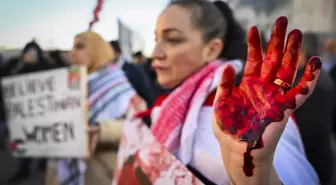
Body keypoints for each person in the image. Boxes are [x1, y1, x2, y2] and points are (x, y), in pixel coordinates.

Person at [108, 1, 319, 185]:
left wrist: (258, 178)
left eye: (173, 40)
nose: (155, 54)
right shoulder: (173, 101)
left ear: (212, 49)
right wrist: (100, 132)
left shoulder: (242, 110)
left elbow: (294, 174)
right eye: (156, 40)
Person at [45, 31, 139, 185]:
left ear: (97, 51)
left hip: (99, 173)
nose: (72, 53)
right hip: (62, 172)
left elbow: (139, 129)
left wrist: (104, 131)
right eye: (72, 47)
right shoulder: (67, 84)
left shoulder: (118, 87)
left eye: (80, 47)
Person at [7, 40, 55, 183]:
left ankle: (43, 164)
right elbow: (8, 77)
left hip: (44, 111)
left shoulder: (46, 66)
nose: (31, 56)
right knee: (24, 142)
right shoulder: (18, 65)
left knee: (45, 139)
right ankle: (24, 169)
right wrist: (22, 63)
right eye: (28, 52)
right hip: (24, 115)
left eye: (34, 53)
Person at [294, 33, 334, 184]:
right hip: (317, 156)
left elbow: (310, 129)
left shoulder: (311, 85)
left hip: (310, 159)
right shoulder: (319, 78)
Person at [109, 40, 161, 107]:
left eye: (109, 52)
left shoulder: (132, 70)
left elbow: (146, 93)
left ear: (117, 52)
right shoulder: (110, 71)